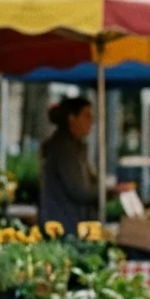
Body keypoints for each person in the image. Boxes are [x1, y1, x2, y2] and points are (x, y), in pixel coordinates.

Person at [39, 96, 98, 235]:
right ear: (72, 118)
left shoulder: (73, 146)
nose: (91, 122)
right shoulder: (66, 148)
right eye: (87, 116)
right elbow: (80, 190)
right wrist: (106, 190)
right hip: (65, 226)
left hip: (67, 223)